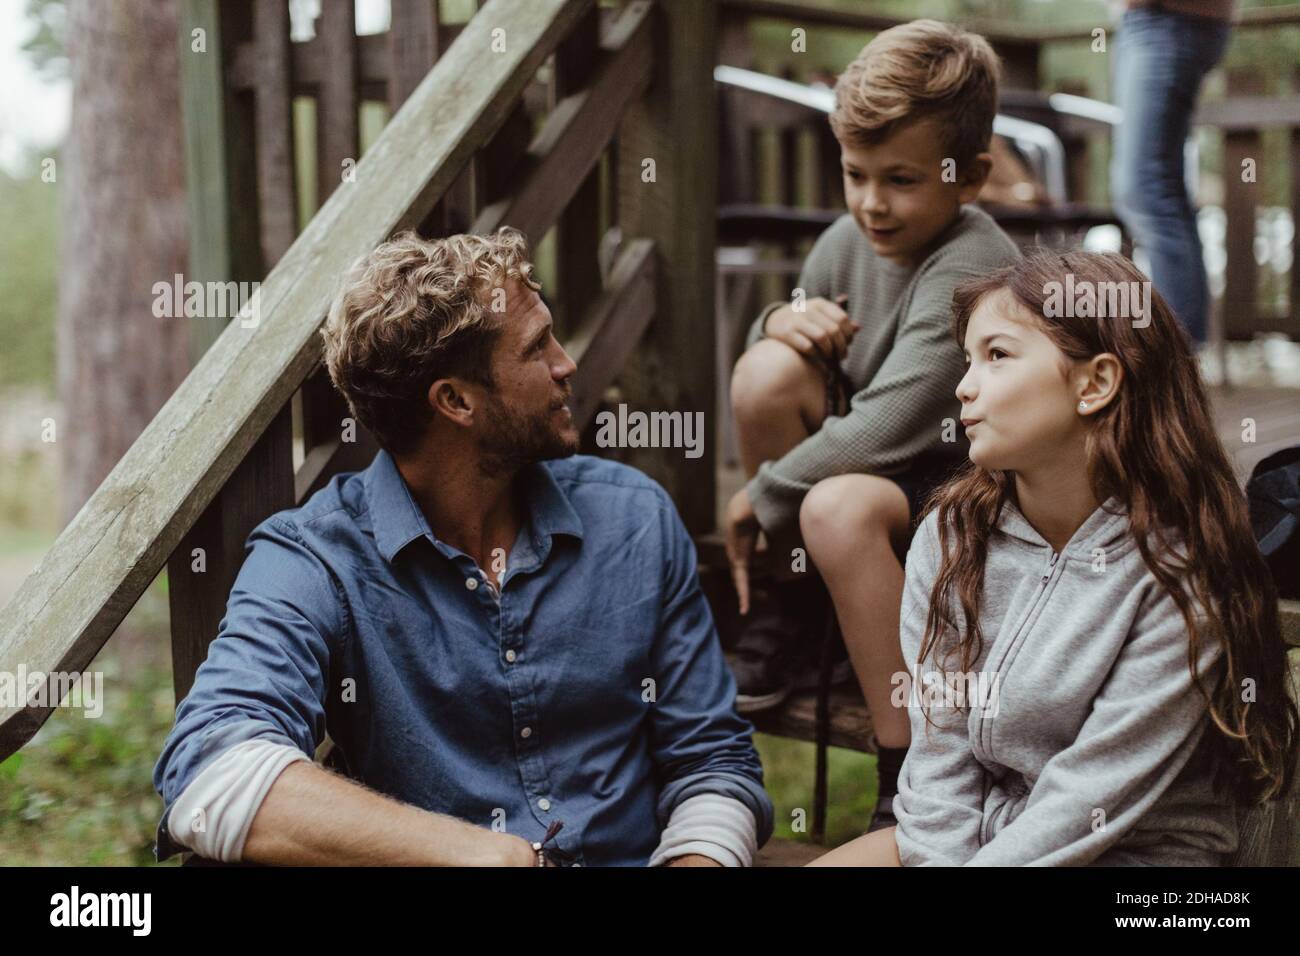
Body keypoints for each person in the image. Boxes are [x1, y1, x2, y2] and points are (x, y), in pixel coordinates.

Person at [152, 229, 774, 867]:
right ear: (455, 401)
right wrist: (485, 857)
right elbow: (211, 769)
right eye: (537, 348)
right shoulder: (318, 558)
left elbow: (712, 761)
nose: (568, 364)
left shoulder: (635, 518)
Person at [810, 249, 1297, 866]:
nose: (964, 384)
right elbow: (941, 753)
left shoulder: (1177, 572)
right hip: (980, 838)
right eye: (968, 359)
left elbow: (1087, 798)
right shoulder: (953, 536)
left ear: (1094, 383)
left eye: (998, 355)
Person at [723, 19, 1020, 833]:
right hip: (881, 465)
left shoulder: (970, 262)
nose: (871, 203)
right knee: (764, 373)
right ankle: (794, 598)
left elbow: (896, 419)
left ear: (970, 178)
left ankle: (909, 768)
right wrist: (782, 324)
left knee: (836, 506)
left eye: (902, 180)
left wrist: (763, 492)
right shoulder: (845, 241)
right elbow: (786, 365)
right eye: (855, 174)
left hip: (966, 474)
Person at [1110, 0, 1235, 347]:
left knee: (1145, 190)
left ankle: (1177, 355)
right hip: (1150, 22)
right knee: (1159, 191)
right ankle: (1184, 353)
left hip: (1166, 20)